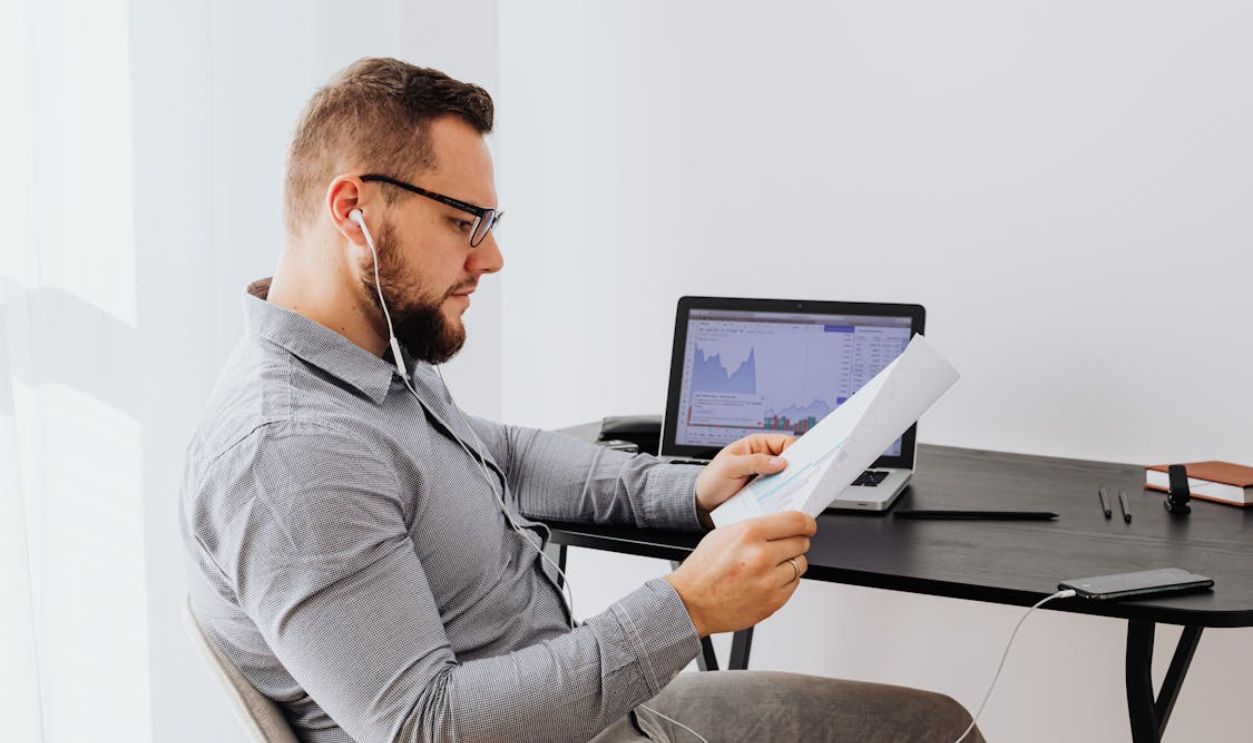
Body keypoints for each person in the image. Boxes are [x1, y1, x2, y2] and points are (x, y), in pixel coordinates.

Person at [180, 57, 984, 743]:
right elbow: (426, 724)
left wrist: (691, 491)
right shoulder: (286, 449)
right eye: (463, 222)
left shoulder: (373, 356)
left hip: (603, 711)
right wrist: (684, 607)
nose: (489, 257)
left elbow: (503, 453)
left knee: (935, 725)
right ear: (353, 211)